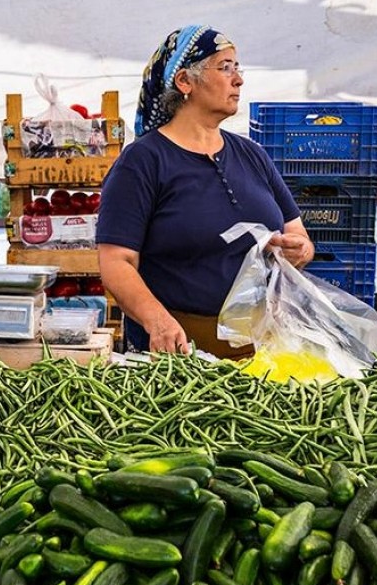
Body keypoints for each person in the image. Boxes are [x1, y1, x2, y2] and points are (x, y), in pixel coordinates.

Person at [95, 25, 314, 356]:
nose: (238, 79)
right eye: (225, 67)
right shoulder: (143, 161)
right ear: (185, 81)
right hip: (182, 355)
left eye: (238, 68)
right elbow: (116, 261)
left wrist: (298, 250)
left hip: (265, 349)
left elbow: (297, 234)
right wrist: (157, 322)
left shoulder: (252, 154)